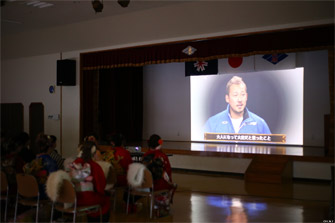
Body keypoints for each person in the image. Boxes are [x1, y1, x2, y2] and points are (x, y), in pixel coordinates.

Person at [203, 76, 271, 135]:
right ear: (227, 98)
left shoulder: (260, 123)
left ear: (246, 96)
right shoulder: (212, 123)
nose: (239, 99)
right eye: (235, 95)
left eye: (242, 95)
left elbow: (271, 148)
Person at [69, 141, 110, 222]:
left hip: (73, 198)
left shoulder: (74, 163)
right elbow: (100, 187)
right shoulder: (95, 166)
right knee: (105, 200)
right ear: (94, 152)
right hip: (87, 199)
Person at [141, 134, 177, 217]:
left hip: (146, 185)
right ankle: (162, 207)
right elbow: (168, 173)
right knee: (168, 185)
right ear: (160, 143)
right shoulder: (163, 156)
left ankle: (156, 206)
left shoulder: (145, 156)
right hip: (159, 185)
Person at [23, 133, 58, 199]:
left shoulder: (35, 159)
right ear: (51, 145)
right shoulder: (51, 162)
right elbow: (54, 182)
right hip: (45, 193)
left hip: (33, 191)